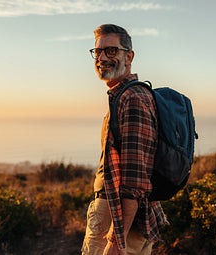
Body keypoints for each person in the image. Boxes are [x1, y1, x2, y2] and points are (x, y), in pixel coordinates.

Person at [81, 24, 168, 255]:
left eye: (111, 51)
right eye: (97, 52)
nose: (101, 58)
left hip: (116, 218)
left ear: (129, 56)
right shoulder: (125, 96)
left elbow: (134, 178)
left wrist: (116, 240)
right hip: (121, 217)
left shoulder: (132, 99)